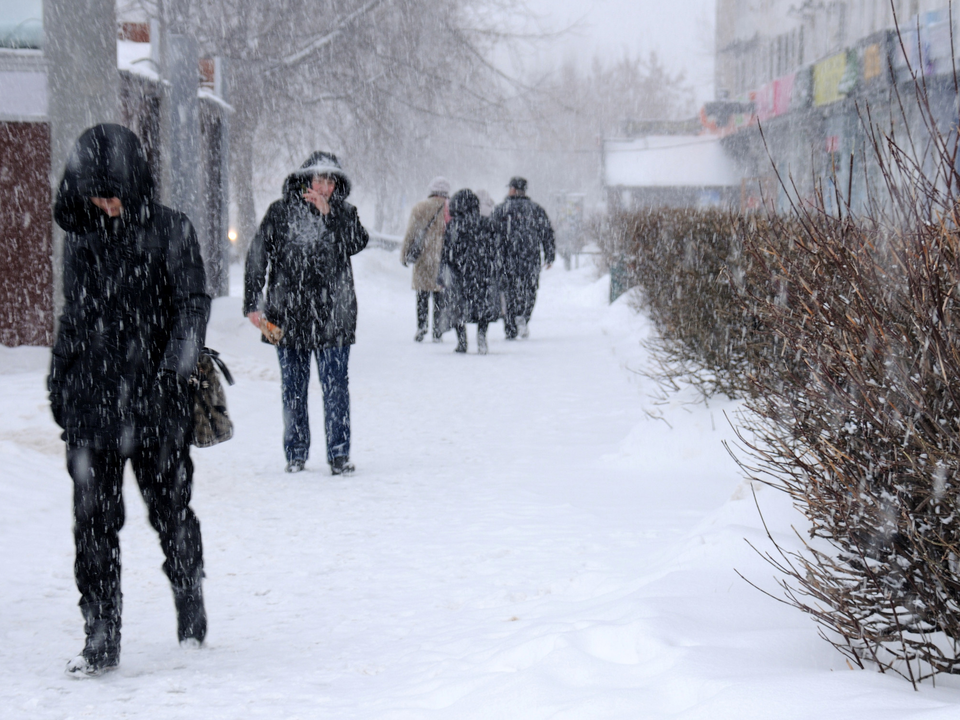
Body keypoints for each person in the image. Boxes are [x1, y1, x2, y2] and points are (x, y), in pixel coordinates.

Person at [48, 124, 211, 677]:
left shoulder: (171, 229)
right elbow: (74, 316)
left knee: (170, 511)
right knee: (92, 523)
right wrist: (60, 378)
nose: (106, 205)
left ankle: (189, 596)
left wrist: (173, 371)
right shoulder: (81, 238)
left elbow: (192, 306)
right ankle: (100, 632)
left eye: (114, 195)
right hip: (92, 402)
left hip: (156, 402)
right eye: (96, 196)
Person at [244, 151, 368, 475]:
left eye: (331, 182)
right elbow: (257, 254)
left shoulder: (345, 213)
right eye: (319, 180)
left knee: (336, 388)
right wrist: (252, 302)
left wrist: (330, 216)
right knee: (292, 389)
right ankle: (295, 453)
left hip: (335, 316)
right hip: (284, 315)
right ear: (306, 180)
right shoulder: (280, 211)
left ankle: (339, 455)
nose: (325, 187)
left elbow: (357, 242)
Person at [491, 177, 556, 339]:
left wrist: (491, 255)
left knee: (509, 291)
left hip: (507, 258)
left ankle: (510, 326)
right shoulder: (536, 210)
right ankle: (524, 317)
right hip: (530, 258)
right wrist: (549, 255)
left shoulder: (501, 210)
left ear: (512, 189)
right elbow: (547, 233)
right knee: (529, 290)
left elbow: (491, 234)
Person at [438, 189, 501, 354]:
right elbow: (495, 249)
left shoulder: (453, 225)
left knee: (457, 309)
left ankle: (462, 341)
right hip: (482, 273)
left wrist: (442, 274)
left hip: (460, 273)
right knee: (482, 308)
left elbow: (446, 253)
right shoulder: (486, 223)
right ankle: (481, 337)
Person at [401, 176, 450, 342]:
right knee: (439, 296)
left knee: (422, 294)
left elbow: (410, 234)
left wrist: (404, 255)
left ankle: (421, 327)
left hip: (423, 257)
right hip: (442, 258)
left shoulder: (420, 207)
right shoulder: (450, 209)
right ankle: (437, 330)